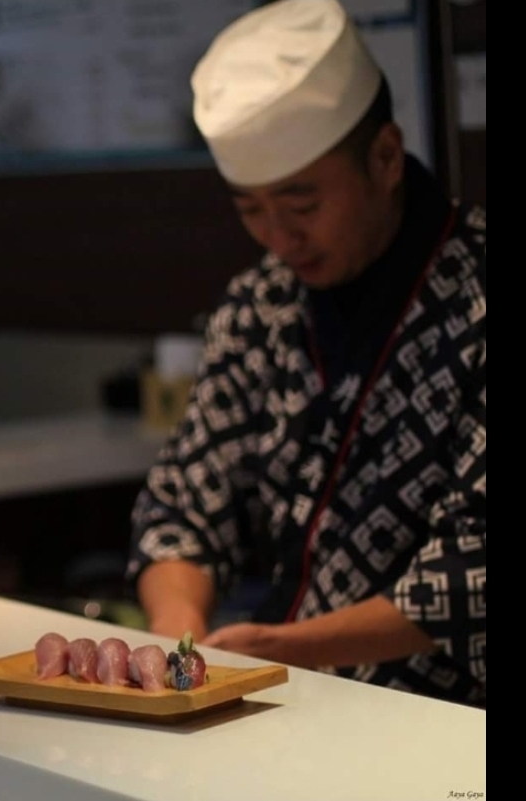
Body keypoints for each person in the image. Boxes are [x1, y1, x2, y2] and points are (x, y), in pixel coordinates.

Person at [126, 0, 485, 708]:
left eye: (302, 203)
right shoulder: (260, 306)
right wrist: (180, 633)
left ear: (385, 157)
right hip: (282, 699)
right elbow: (185, 505)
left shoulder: (476, 296)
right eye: (251, 210)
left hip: (444, 722)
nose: (280, 239)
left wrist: (292, 647)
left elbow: (476, 566)